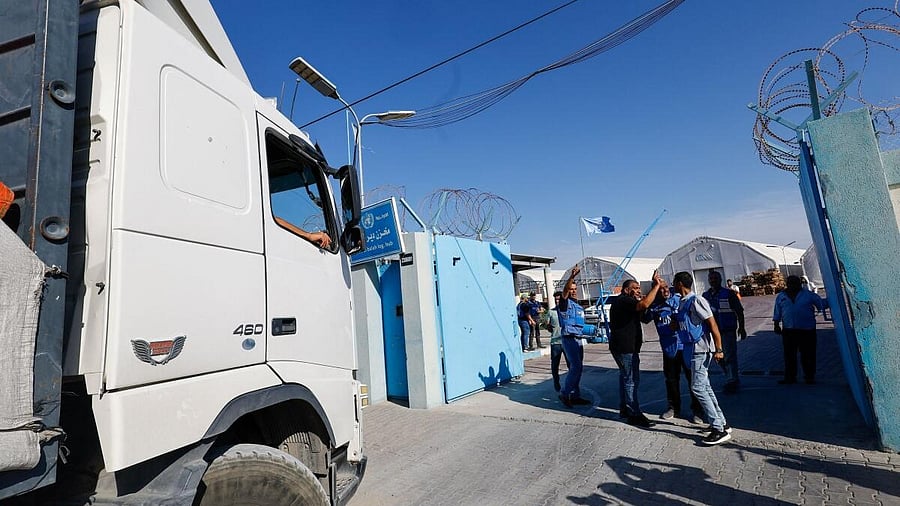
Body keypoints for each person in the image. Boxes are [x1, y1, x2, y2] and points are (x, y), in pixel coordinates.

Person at [672, 271, 732, 445]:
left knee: (697, 388)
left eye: (674, 282)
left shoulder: (697, 300)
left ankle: (718, 429)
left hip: (700, 349)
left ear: (680, 283)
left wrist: (719, 349)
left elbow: (712, 324)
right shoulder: (682, 302)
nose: (673, 285)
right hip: (690, 349)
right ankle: (721, 423)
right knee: (705, 387)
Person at [643, 279, 703, 423]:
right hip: (669, 349)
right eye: (660, 289)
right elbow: (644, 318)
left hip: (685, 346)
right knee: (671, 380)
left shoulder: (679, 299)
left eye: (665, 287)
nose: (664, 291)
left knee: (693, 379)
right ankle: (673, 408)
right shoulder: (654, 306)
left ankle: (697, 410)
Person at [609, 274, 662, 428]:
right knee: (631, 380)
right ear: (626, 290)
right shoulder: (624, 300)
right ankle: (634, 414)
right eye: (635, 288)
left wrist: (656, 303)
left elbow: (645, 317)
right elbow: (643, 306)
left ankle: (625, 409)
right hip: (625, 348)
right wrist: (656, 286)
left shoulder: (630, 303)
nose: (639, 291)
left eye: (639, 288)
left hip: (627, 347)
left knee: (626, 378)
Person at [774, 275, 827, 384]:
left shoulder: (808, 295)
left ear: (800, 284)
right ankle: (790, 377)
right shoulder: (781, 296)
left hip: (807, 329)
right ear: (787, 284)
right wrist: (776, 324)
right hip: (789, 330)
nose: (793, 285)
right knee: (789, 355)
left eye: (795, 283)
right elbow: (777, 311)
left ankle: (809, 376)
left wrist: (832, 300)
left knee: (808, 354)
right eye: (791, 283)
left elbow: (821, 304)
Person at [703, 271, 746, 394]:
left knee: (729, 356)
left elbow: (739, 311)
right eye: (711, 278)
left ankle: (732, 380)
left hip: (727, 330)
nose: (713, 280)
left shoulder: (729, 294)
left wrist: (742, 327)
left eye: (715, 278)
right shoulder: (706, 296)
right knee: (719, 357)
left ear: (720, 279)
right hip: (712, 332)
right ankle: (730, 376)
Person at [557, 265, 590, 407]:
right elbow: (564, 292)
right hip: (569, 339)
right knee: (575, 367)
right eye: (571, 289)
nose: (574, 291)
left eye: (575, 289)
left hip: (578, 339)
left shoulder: (578, 306)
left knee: (578, 368)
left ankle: (575, 395)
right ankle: (564, 394)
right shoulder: (565, 304)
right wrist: (572, 276)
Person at [547, 292, 569, 392]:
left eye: (559, 299)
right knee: (555, 364)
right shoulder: (551, 312)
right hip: (555, 342)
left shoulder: (567, 311)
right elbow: (547, 325)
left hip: (566, 341)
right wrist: (548, 326)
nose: (557, 301)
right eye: (556, 299)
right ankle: (556, 381)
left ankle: (571, 383)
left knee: (570, 364)